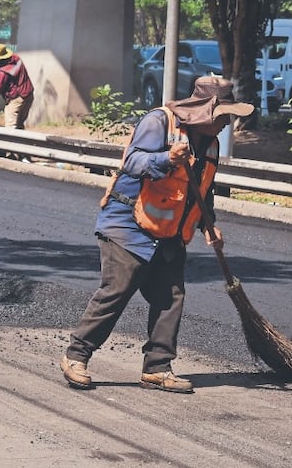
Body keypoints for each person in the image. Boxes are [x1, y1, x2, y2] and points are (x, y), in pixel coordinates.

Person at [60, 76, 253, 394]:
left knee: (170, 296)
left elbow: (203, 190)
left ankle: (157, 367)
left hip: (169, 232)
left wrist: (209, 224)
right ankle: (76, 356)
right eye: (224, 116)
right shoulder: (159, 122)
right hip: (127, 224)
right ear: (205, 111)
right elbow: (132, 162)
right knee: (117, 290)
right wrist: (165, 159)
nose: (227, 123)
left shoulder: (212, 144)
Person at [0, 43, 35, 129]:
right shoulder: (17, 59)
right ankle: (21, 141)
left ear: (1, 59)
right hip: (28, 95)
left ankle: (10, 142)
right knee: (19, 124)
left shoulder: (3, 72)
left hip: (17, 99)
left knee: (11, 126)